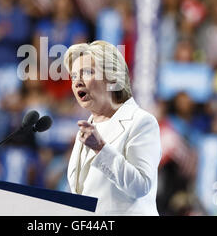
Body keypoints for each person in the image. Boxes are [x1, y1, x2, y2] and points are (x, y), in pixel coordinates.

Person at [64, 40, 161, 215]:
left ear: (113, 78)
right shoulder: (87, 128)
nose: (77, 82)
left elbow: (141, 186)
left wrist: (101, 149)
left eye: (87, 72)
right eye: (73, 76)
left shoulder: (141, 122)